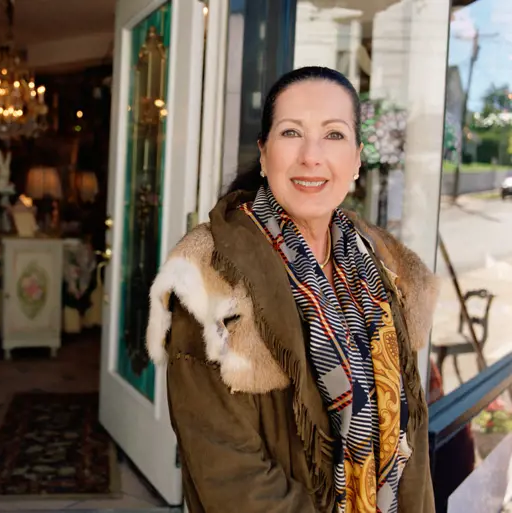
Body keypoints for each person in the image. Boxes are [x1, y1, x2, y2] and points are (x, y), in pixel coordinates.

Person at [146, 66, 438, 513]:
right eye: (291, 132)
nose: (311, 156)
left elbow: (409, 437)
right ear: (264, 155)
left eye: (334, 135)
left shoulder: (381, 267)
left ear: (357, 158)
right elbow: (232, 480)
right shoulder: (211, 282)